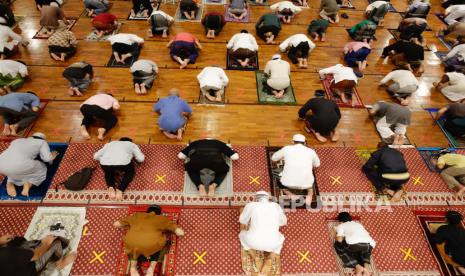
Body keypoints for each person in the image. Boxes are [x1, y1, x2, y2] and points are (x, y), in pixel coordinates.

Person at [114, 205, 185, 276]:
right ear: (160, 213)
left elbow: (116, 224)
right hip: (150, 245)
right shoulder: (161, 219)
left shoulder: (136, 215)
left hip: (132, 244)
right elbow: (179, 232)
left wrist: (130, 225)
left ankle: (133, 268)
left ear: (147, 212)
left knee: (132, 247)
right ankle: (151, 268)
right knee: (163, 245)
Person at [239, 191, 287, 274]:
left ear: (256, 199)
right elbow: (283, 222)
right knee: (280, 240)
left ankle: (255, 257)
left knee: (242, 235)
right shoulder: (276, 206)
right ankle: (269, 259)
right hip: (273, 243)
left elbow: (243, 220)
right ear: (268, 198)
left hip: (252, 242)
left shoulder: (251, 205)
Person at [0, 133, 58, 197]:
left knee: (12, 168)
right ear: (43, 139)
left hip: (1, 164)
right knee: (41, 168)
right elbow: (47, 159)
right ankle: (28, 183)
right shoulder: (42, 142)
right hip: (18, 166)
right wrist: (52, 156)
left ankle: (10, 182)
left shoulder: (18, 140)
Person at [271, 134, 320, 206]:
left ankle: (290, 194)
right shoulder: (311, 151)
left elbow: (273, 158)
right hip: (306, 185)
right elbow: (317, 165)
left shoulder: (287, 148)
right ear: (304, 143)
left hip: (287, 184)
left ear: (293, 142)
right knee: (310, 176)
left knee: (275, 172)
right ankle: (310, 194)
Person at [0, 234, 77, 275]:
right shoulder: (8, 254)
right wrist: (46, 242)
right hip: (29, 268)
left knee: (12, 240)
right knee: (56, 241)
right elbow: (37, 255)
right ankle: (61, 263)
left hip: (9, 266)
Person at [334, 212, 376, 276]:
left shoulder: (341, 225)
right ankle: (366, 268)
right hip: (369, 245)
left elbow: (339, 240)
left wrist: (335, 232)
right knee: (365, 252)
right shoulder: (359, 224)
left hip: (354, 245)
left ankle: (358, 266)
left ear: (341, 221)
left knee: (337, 245)